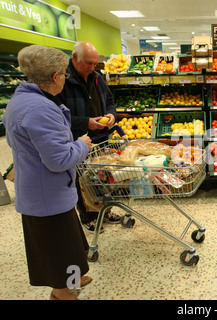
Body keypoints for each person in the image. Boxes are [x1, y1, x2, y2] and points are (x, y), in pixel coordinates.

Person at [3, 45, 93, 300]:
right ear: (55, 77)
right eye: (64, 73)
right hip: (46, 196)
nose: (65, 78)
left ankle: (74, 278)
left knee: (70, 245)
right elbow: (60, 159)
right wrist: (82, 145)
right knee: (60, 252)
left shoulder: (22, 100)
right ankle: (63, 292)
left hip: (42, 190)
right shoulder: (40, 109)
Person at [58, 41, 122, 232]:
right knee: (83, 181)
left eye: (95, 63)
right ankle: (88, 216)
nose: (92, 67)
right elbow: (58, 115)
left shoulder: (97, 77)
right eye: (88, 63)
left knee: (103, 177)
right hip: (78, 140)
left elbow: (110, 101)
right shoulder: (63, 80)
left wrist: (111, 115)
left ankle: (106, 210)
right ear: (75, 58)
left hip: (101, 138)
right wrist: (85, 122)